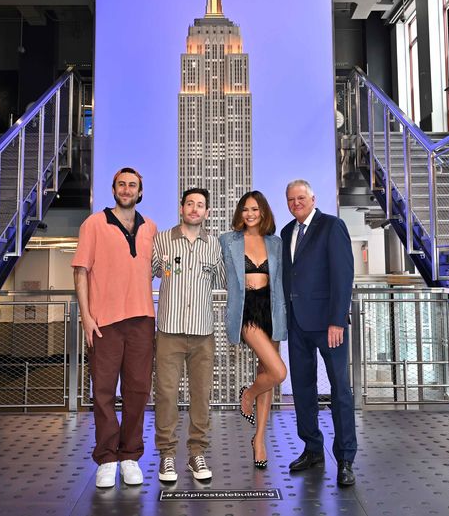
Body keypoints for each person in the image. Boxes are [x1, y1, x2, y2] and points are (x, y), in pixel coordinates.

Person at [71, 167, 157, 488]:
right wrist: (86, 317)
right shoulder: (93, 224)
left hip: (142, 320)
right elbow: (80, 272)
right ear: (113, 189)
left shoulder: (151, 227)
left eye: (132, 185)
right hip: (104, 321)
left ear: (140, 191)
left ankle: (131, 454)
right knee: (103, 391)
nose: (126, 189)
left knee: (137, 391)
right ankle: (107, 457)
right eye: (121, 184)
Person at [281, 179, 357, 486]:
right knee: (302, 389)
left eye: (301, 197)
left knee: (340, 391)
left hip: (329, 325)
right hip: (297, 324)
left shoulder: (332, 226)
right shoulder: (287, 232)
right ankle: (312, 448)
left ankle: (346, 459)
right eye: (291, 199)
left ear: (313, 198)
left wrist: (337, 319)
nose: (296, 202)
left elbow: (343, 274)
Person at [151, 188, 225, 483]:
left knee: (201, 396)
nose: (195, 209)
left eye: (201, 205)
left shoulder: (215, 246)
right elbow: (147, 273)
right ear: (181, 208)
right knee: (166, 395)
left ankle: (197, 453)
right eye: (190, 204)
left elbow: (224, 279)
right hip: (168, 330)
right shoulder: (162, 240)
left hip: (203, 332)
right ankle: (167, 455)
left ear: (207, 212)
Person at [218, 190, 287, 469]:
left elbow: (283, 280)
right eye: (245, 209)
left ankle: (259, 440)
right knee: (279, 372)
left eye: (255, 209)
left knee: (267, 373)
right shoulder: (228, 240)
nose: (250, 214)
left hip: (271, 308)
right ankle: (248, 394)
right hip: (247, 310)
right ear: (239, 213)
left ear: (263, 213)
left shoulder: (276, 243)